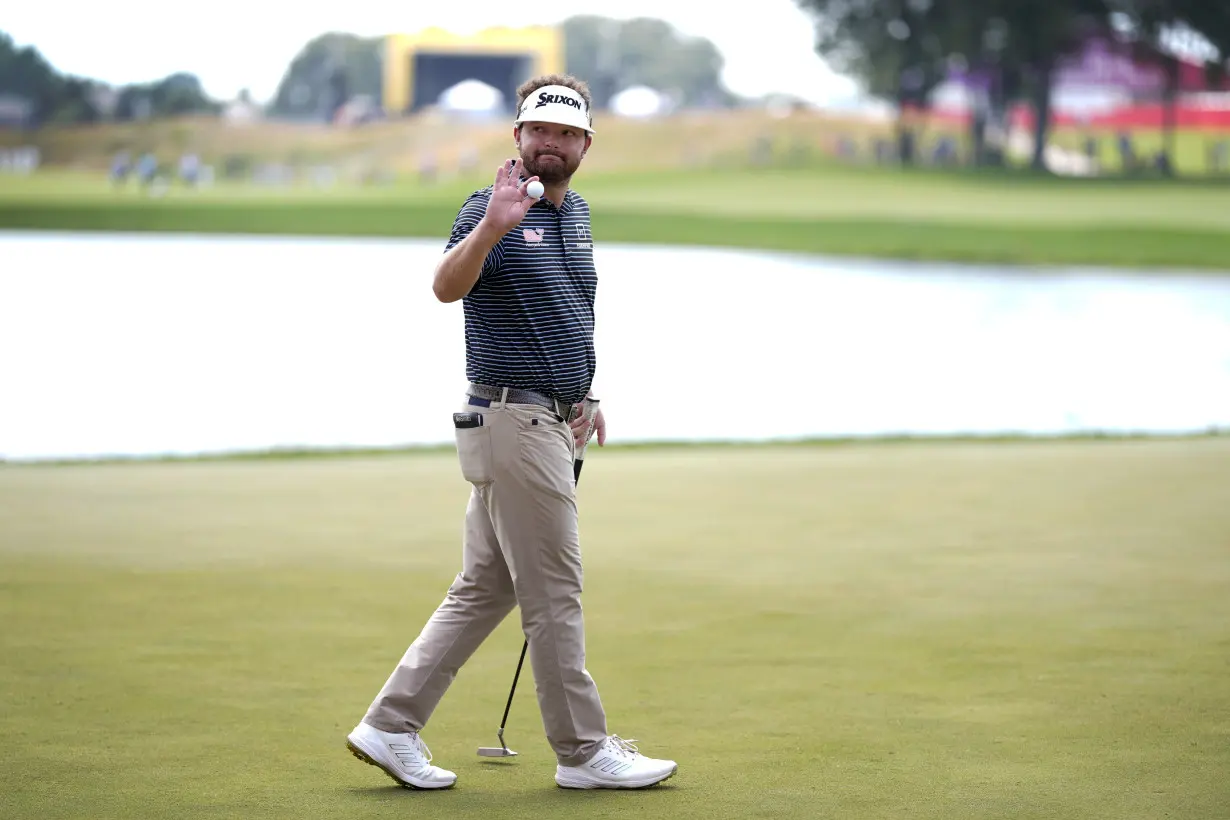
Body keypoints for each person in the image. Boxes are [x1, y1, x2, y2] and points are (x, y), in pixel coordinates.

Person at [344, 73, 678, 792]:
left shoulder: (577, 214)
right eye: (539, 131)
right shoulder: (490, 207)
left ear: (585, 144)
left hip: (547, 418)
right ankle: (583, 751)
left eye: (566, 134)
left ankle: (389, 724)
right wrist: (494, 224)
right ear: (517, 138)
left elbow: (569, 310)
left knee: (486, 586)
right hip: (510, 419)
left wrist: (583, 391)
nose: (551, 144)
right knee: (555, 590)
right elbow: (444, 287)